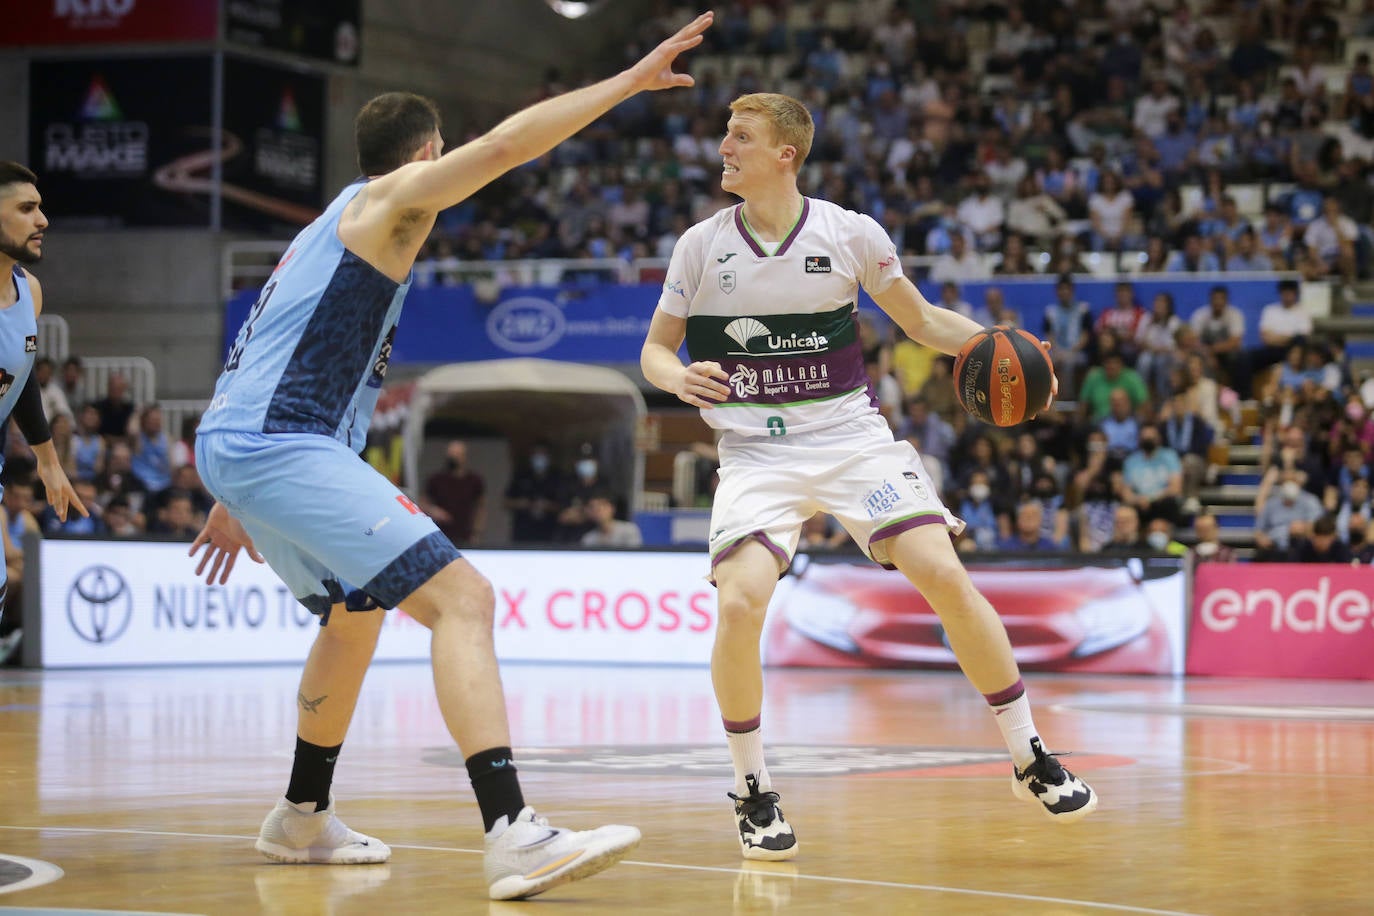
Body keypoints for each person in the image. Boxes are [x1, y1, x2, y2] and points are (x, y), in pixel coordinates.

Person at [185, 13, 713, 901]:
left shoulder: (328, 224)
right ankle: (514, 831)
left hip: (250, 441)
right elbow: (509, 145)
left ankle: (301, 817)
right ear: (427, 153)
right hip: (278, 442)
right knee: (464, 598)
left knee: (355, 614)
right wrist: (626, 83)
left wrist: (233, 484)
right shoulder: (393, 201)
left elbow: (268, 343)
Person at [640, 91, 1097, 862]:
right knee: (742, 601)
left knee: (943, 574)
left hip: (852, 439)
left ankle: (1027, 753)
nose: (724, 147)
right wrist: (675, 378)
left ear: (786, 154)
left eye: (740, 136)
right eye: (726, 134)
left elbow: (919, 321)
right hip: (757, 455)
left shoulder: (849, 233)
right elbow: (655, 349)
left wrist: (999, 345)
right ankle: (753, 790)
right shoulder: (699, 246)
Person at [0, 162, 87, 658]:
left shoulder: (28, 291)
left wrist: (49, 463)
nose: (43, 220)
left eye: (41, 207)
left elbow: (23, 375)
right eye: (26, 208)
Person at [420, 440, 486, 546]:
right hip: (440, 534)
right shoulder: (436, 479)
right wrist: (433, 510)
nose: (452, 458)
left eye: (456, 454)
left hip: (465, 534)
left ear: (464, 456)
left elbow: (480, 508)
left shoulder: (474, 480)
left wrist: (476, 532)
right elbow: (422, 504)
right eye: (450, 454)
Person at [504, 440, 562, 543]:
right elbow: (506, 502)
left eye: (542, 454)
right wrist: (524, 503)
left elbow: (563, 505)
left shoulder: (557, 477)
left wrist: (548, 506)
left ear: (549, 456)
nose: (539, 458)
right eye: (536, 454)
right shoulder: (521, 475)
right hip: (523, 532)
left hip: (549, 533)